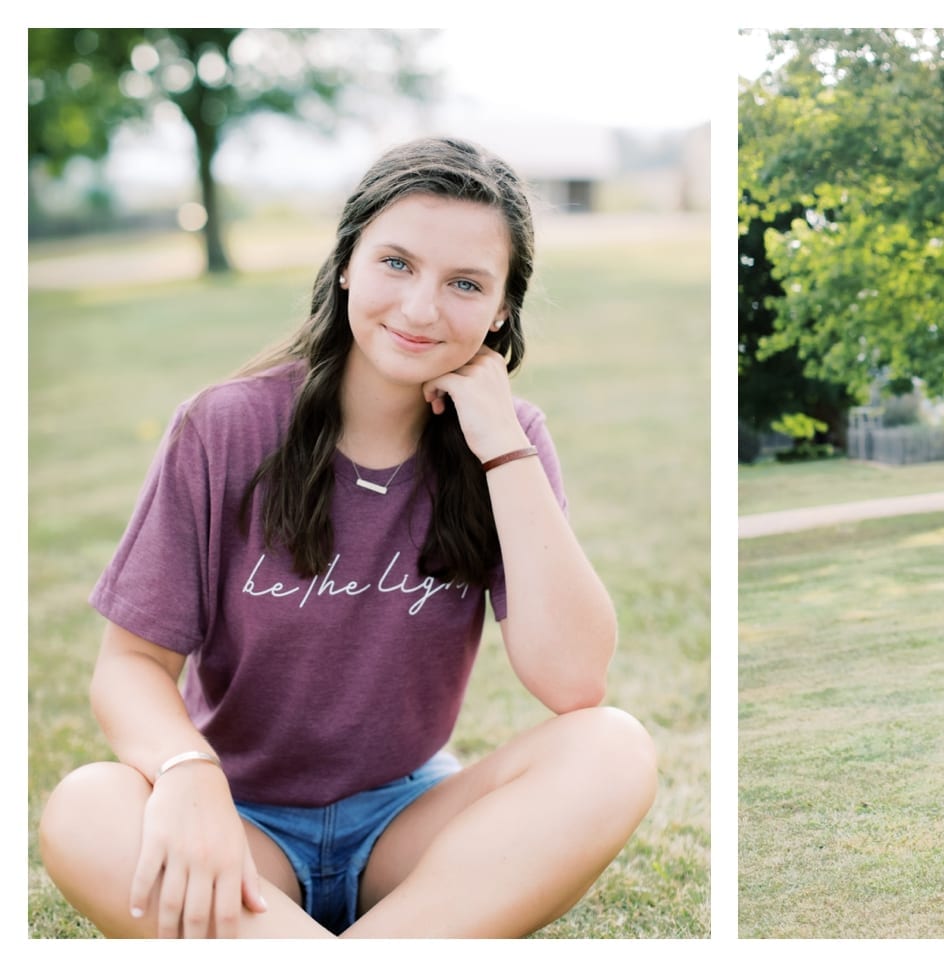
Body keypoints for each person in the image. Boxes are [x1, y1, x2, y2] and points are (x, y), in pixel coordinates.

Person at [38, 136, 658, 938]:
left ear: (502, 310)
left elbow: (575, 680)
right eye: (396, 262)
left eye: (465, 283)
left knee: (612, 748)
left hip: (407, 829)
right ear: (347, 262)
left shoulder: (509, 442)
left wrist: (502, 443)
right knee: (88, 806)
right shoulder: (222, 427)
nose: (421, 307)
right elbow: (131, 666)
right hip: (238, 830)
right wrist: (187, 773)